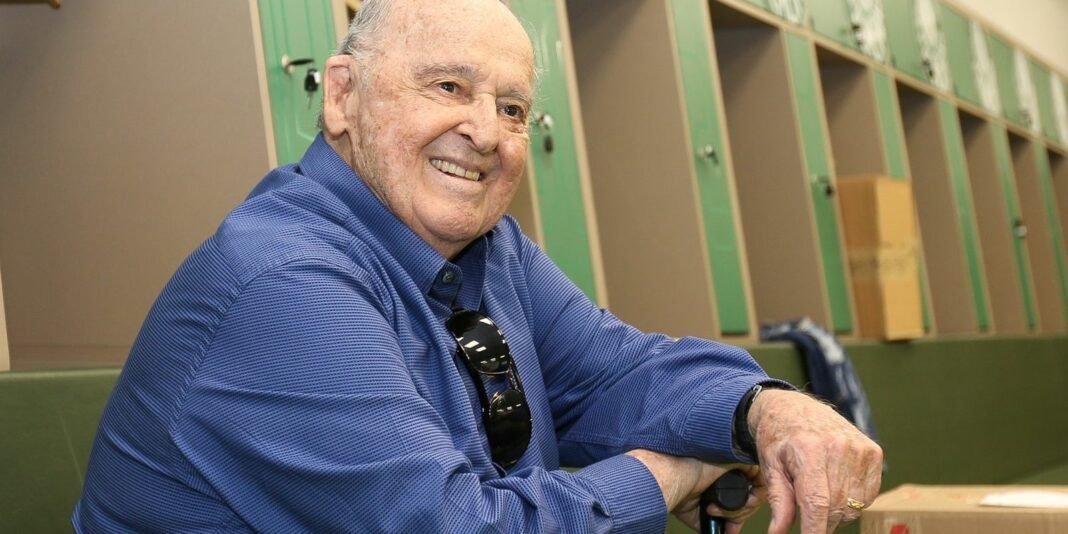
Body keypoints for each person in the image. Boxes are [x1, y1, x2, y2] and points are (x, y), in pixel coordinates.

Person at [73, 0, 882, 532]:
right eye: (448, 87)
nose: (486, 133)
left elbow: (616, 375)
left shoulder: (492, 252)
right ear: (341, 97)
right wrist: (665, 474)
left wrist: (766, 411)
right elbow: (460, 525)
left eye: (512, 108)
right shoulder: (282, 282)